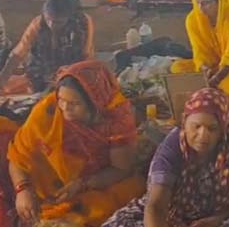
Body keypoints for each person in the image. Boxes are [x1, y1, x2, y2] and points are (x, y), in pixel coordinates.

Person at [103, 87, 229, 227]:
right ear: (184, 123)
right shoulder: (172, 148)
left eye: (212, 129)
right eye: (196, 127)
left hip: (218, 210)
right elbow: (157, 204)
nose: (203, 136)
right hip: (172, 212)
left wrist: (218, 218)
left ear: (223, 129)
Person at [8, 61, 145, 226]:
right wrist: (22, 190)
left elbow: (120, 169)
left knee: (108, 206)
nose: (65, 108)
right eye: (61, 99)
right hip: (46, 190)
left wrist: (82, 184)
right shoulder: (49, 110)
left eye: (75, 103)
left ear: (95, 103)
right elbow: (17, 158)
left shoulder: (116, 118)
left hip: (96, 185)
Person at [0, 0, 95, 96]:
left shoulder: (83, 24)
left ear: (70, 18)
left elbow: (85, 58)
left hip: (73, 74)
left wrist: (66, 77)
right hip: (41, 74)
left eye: (58, 22)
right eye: (48, 19)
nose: (51, 25)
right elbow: (16, 56)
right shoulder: (38, 23)